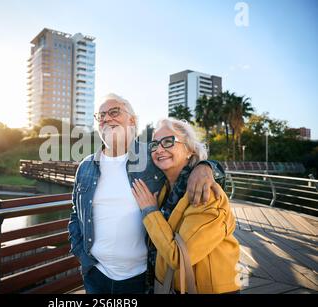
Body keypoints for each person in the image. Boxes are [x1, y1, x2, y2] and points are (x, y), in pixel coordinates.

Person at [68, 93, 226, 294]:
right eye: (101, 116)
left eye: (114, 112)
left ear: (132, 120)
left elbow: (185, 162)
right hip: (96, 275)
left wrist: (206, 167)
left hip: (142, 276)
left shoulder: (152, 156)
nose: (106, 118)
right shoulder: (86, 166)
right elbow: (75, 212)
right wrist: (80, 252)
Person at [131, 118, 240, 294]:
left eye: (168, 141)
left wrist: (150, 211)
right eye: (155, 144)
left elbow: (180, 258)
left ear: (189, 149)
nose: (159, 149)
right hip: (169, 286)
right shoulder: (165, 190)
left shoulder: (206, 192)